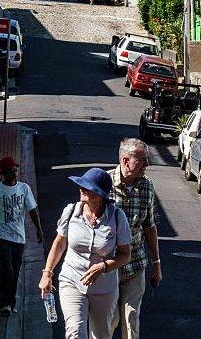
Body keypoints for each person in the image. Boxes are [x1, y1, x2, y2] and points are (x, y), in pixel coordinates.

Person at [39, 168, 131, 339]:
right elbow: (59, 244)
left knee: (101, 335)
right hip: (72, 280)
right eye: (81, 185)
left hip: (104, 288)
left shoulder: (118, 217)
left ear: (100, 194)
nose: (81, 189)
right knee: (74, 332)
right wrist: (47, 273)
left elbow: (125, 255)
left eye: (87, 187)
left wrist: (103, 267)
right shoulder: (71, 211)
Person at [108, 138, 161, 339]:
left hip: (135, 265)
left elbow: (150, 226)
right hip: (109, 267)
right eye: (142, 160)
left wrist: (156, 264)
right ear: (125, 160)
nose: (147, 165)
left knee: (131, 320)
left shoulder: (147, 186)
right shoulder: (104, 184)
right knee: (109, 320)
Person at [0, 156, 43, 315]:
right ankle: (5, 304)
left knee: (15, 271)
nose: (14, 174)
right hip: (2, 236)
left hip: (19, 238)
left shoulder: (24, 188)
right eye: (11, 171)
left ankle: (11, 303)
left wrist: (39, 229)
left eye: (15, 170)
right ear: (3, 174)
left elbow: (32, 210)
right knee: (7, 270)